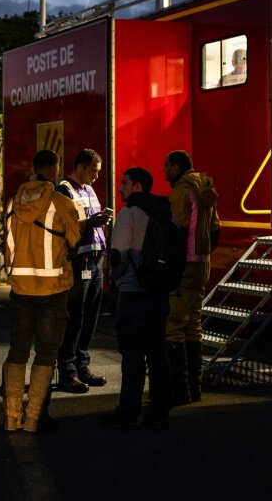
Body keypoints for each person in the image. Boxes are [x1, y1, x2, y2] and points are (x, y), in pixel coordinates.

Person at [1, 149, 81, 433]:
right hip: (52, 290)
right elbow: (74, 239)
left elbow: (7, 247)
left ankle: (11, 418)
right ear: (55, 170)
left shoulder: (12, 202)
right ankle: (33, 420)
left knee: (17, 352)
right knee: (46, 354)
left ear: (34, 169)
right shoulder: (61, 202)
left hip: (20, 289)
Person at [102, 167, 172, 430]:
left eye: (125, 183)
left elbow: (118, 256)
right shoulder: (165, 212)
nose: (121, 188)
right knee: (157, 354)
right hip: (159, 294)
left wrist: (116, 280)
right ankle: (159, 410)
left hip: (133, 294)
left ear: (138, 187)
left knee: (132, 357)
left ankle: (129, 409)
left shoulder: (129, 213)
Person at [163, 150, 221, 405]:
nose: (164, 172)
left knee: (174, 326)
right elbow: (216, 231)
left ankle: (180, 391)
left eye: (166, 167)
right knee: (194, 325)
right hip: (202, 264)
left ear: (175, 168)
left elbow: (177, 232)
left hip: (184, 267)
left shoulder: (180, 192)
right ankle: (195, 389)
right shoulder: (206, 190)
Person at [55, 148, 113, 393]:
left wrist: (101, 220)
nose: (96, 177)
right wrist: (91, 222)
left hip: (96, 259)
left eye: (98, 172)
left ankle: (82, 367)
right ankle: (67, 372)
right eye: (93, 171)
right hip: (79, 262)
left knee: (90, 318)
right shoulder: (64, 190)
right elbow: (63, 225)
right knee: (74, 318)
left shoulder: (88, 189)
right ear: (79, 166)